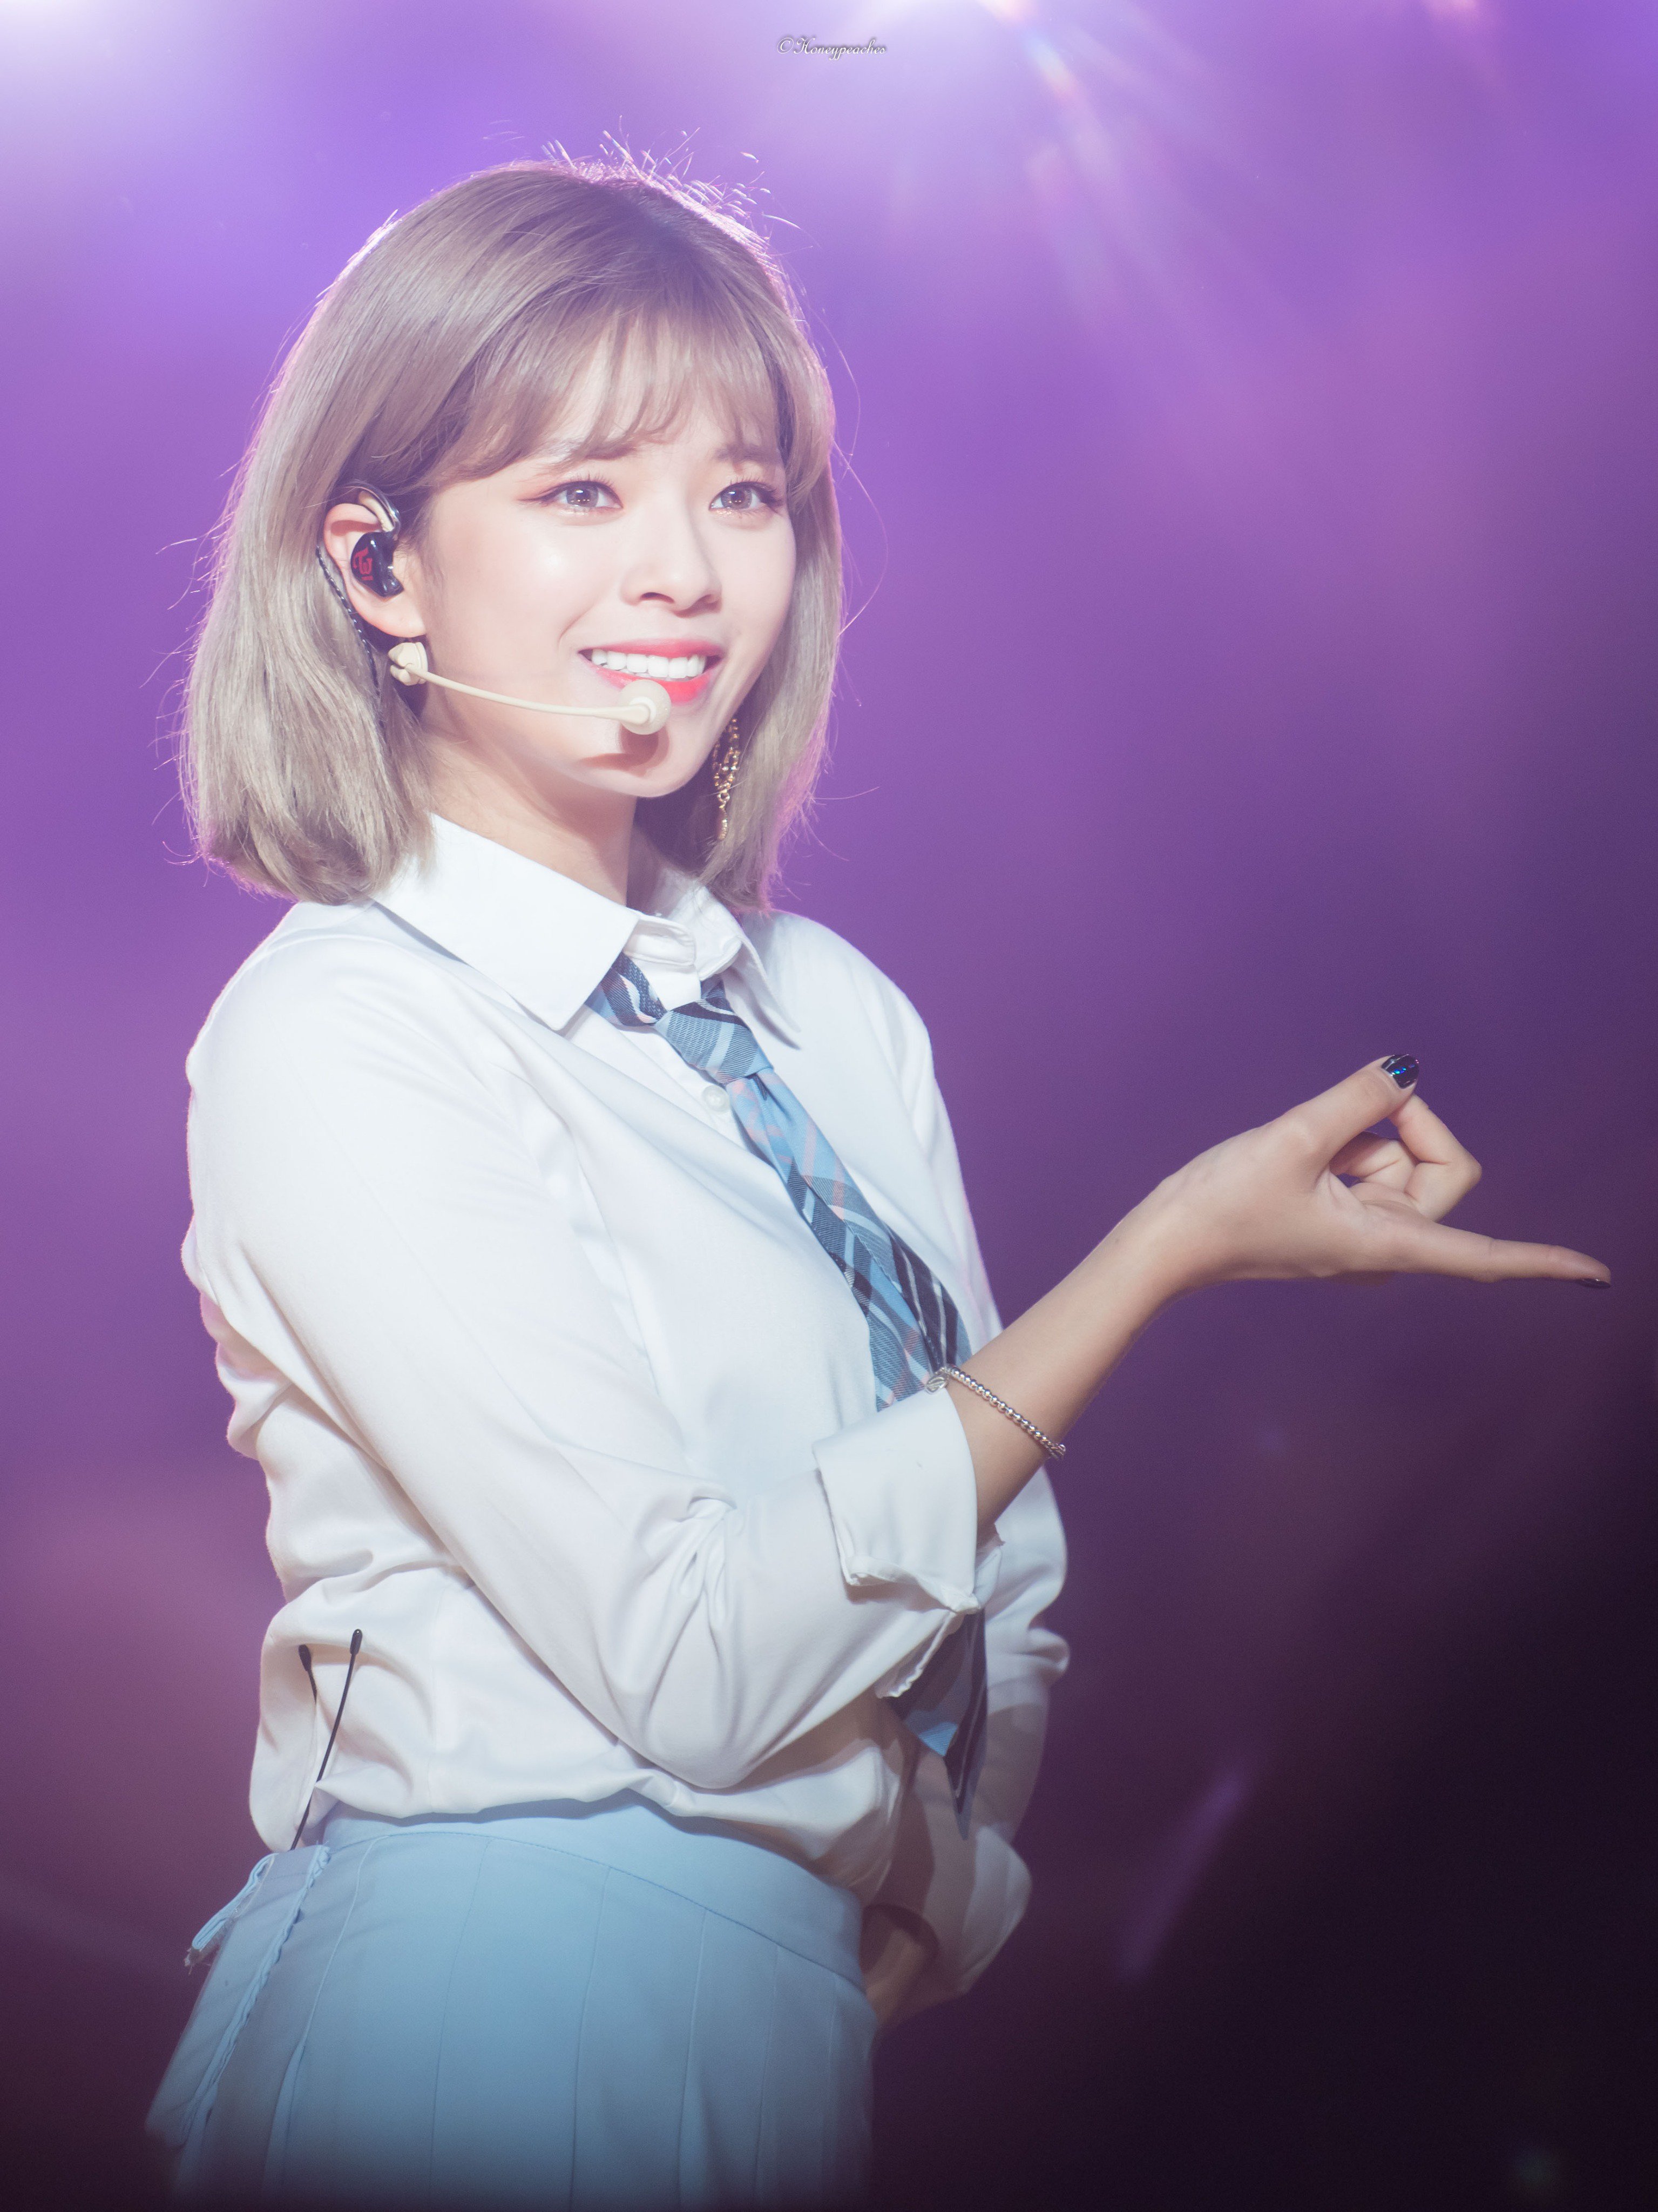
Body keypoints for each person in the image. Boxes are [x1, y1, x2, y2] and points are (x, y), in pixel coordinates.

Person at [144, 156, 1610, 2210]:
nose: (683, 572)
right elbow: (690, 1658)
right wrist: (1161, 1257)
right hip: (486, 1988)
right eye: (584, 491)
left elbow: (1003, 1594)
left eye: (741, 494)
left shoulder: (831, 1015)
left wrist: (913, 1894)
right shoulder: (344, 1028)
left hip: (784, 2023)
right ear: (378, 565)